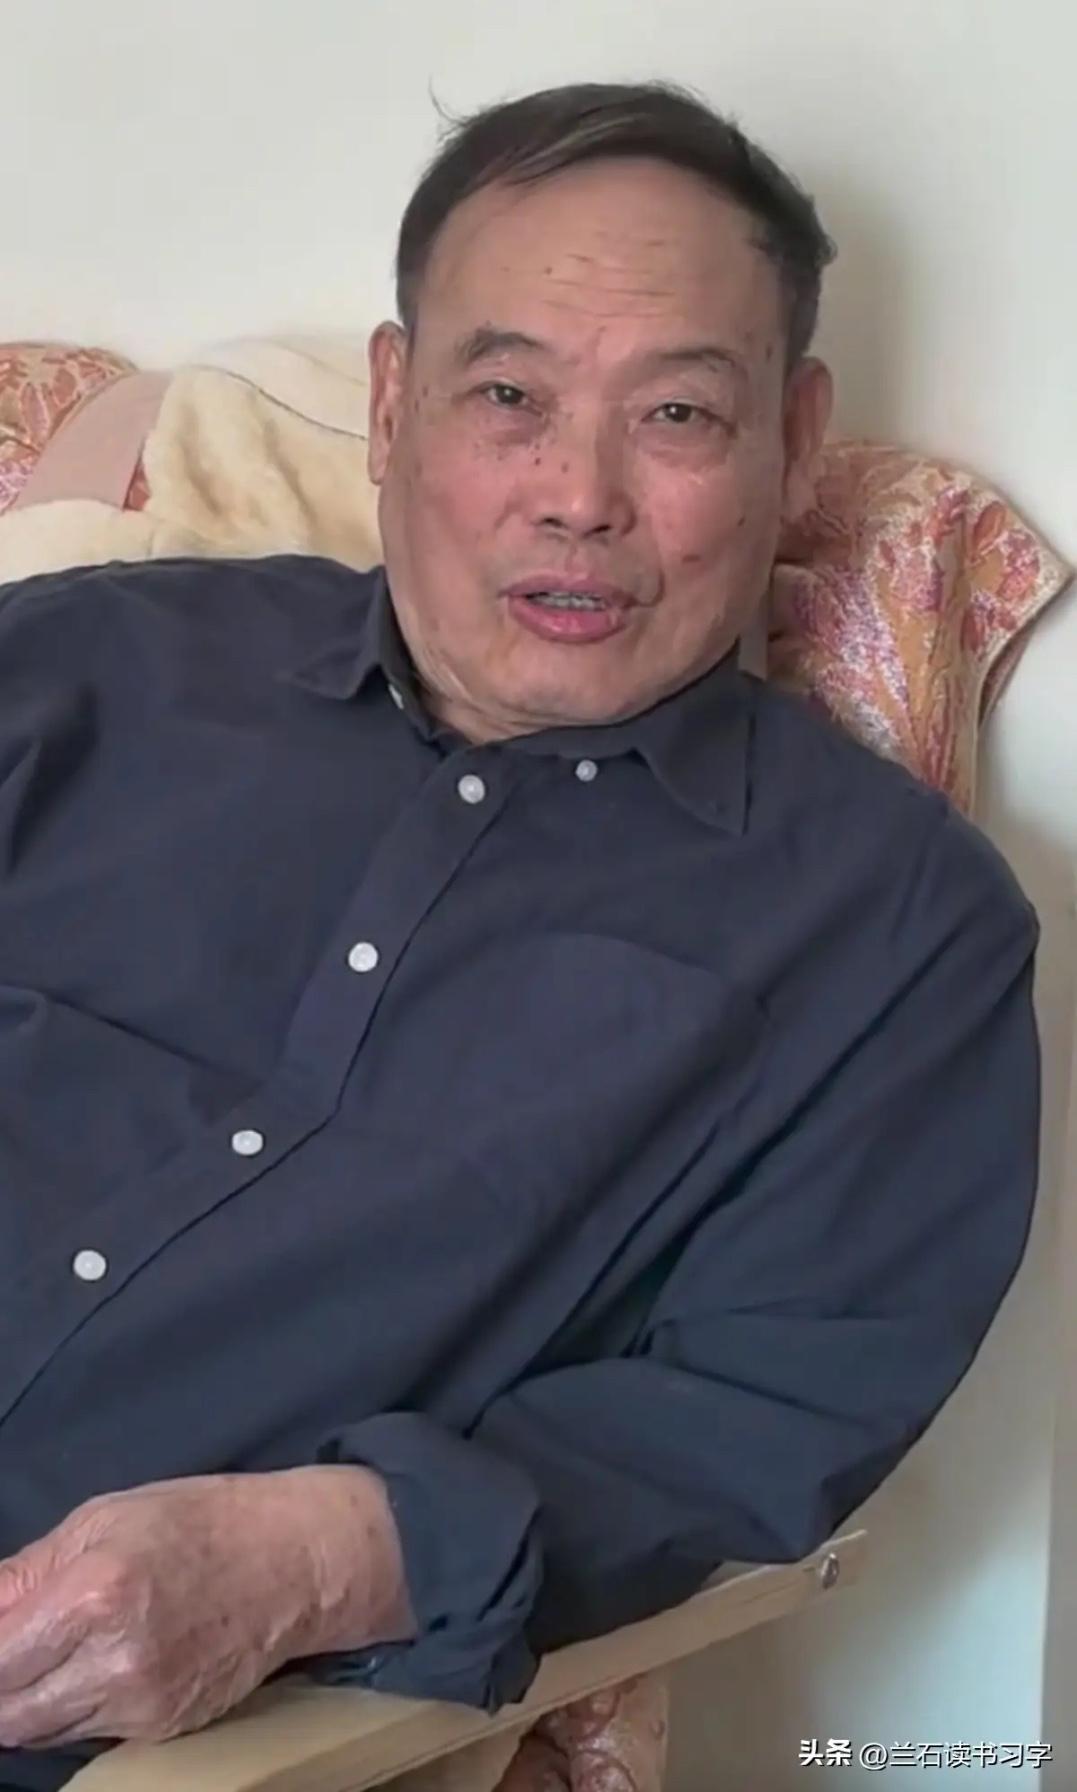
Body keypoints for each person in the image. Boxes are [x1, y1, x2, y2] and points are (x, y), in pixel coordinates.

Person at [0, 82, 1039, 1790]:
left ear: (793, 445)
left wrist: (319, 1557)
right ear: (391, 404)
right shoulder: (87, 668)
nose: (578, 496)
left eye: (676, 415)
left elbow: (760, 1418)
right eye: (507, 397)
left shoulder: (894, 934)